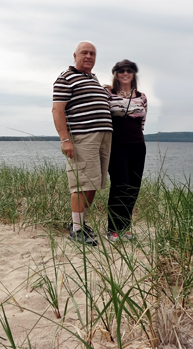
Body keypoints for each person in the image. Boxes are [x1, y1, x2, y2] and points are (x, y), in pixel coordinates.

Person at [52, 41, 113, 246]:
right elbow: (57, 110)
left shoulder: (92, 79)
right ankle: (76, 231)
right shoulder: (65, 78)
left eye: (92, 54)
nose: (88, 56)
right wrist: (65, 139)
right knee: (81, 182)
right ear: (75, 55)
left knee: (93, 182)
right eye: (84, 53)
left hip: (102, 138)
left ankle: (79, 223)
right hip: (82, 138)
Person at [106, 59, 147, 242]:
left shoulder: (142, 96)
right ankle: (113, 229)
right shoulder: (108, 93)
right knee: (119, 186)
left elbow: (142, 122)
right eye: (121, 70)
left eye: (129, 70)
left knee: (133, 188)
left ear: (133, 73)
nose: (125, 73)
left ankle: (125, 228)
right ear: (115, 73)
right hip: (116, 146)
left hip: (138, 146)